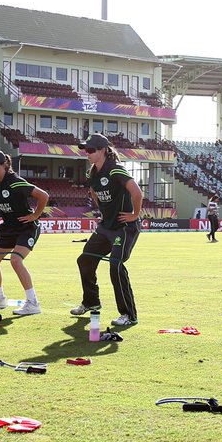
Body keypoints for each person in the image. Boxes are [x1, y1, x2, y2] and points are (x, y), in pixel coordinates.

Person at [70, 134, 143, 327]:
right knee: (85, 260)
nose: (87, 153)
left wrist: (135, 214)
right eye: (85, 150)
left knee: (116, 265)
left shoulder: (116, 169)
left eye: (90, 150)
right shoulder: (92, 173)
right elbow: (93, 192)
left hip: (125, 227)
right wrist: (104, 211)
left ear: (102, 150)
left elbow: (137, 192)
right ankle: (91, 302)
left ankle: (128, 315)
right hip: (106, 227)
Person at [0, 150, 49, 315]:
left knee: (15, 260)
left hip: (26, 228)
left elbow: (43, 196)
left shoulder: (16, 183)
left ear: (4, 165)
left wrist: (35, 215)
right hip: (8, 228)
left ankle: (33, 303)